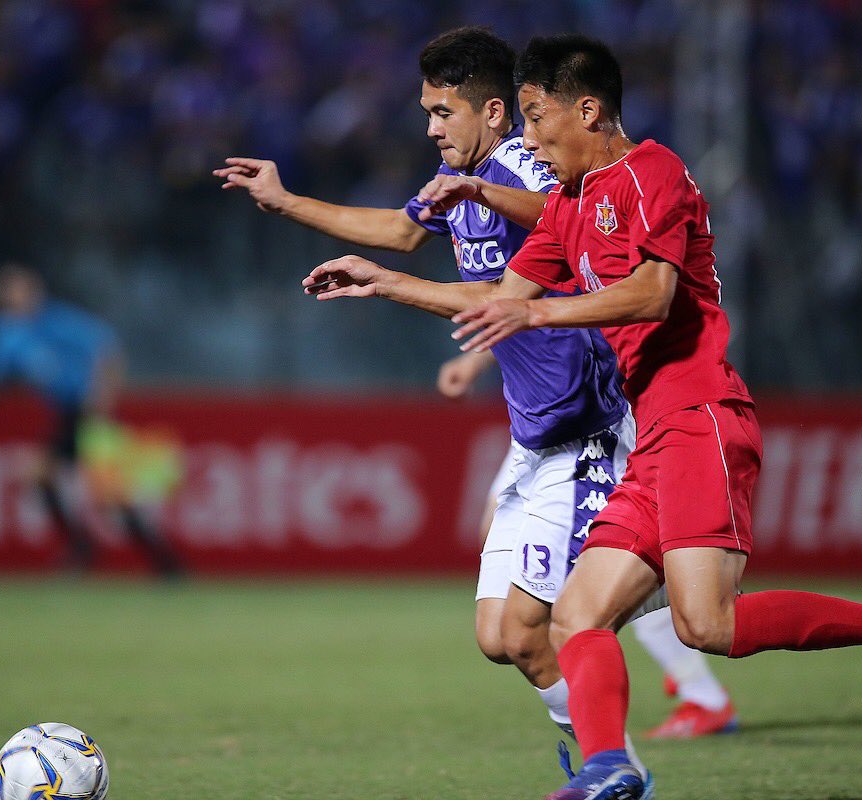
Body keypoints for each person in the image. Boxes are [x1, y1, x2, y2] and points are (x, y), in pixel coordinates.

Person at [304, 35, 862, 800]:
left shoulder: (651, 172)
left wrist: (542, 316)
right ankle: (610, 767)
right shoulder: (569, 206)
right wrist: (385, 280)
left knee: (707, 626)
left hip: (702, 416)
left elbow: (652, 295)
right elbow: (499, 300)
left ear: (586, 109)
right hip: (649, 434)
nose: (526, 138)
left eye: (535, 117)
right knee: (575, 617)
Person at [218, 27, 673, 782]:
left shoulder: (527, 170)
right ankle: (611, 756)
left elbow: (539, 251)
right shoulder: (459, 184)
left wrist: (399, 285)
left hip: (588, 428)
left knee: (587, 623)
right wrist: (285, 201)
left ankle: (611, 763)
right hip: (537, 437)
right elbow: (400, 231)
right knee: (503, 637)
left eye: (441, 111)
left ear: (494, 111)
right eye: (425, 111)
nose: (429, 127)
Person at [437, 350, 736, 739]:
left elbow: (538, 306)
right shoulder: (524, 299)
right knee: (500, 627)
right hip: (535, 425)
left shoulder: (600, 293)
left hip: (596, 422)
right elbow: (511, 303)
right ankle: (674, 596)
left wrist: (393, 285)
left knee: (567, 612)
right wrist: (475, 360)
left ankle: (676, 711)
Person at [0, 263, 182, 577]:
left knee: (110, 495)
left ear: (34, 291)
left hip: (87, 413)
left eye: (20, 289)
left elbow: (107, 348)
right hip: (63, 414)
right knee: (40, 478)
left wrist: (103, 393)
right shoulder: (5, 333)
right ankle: (84, 547)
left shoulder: (57, 321)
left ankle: (163, 561)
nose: (15, 296)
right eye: (8, 291)